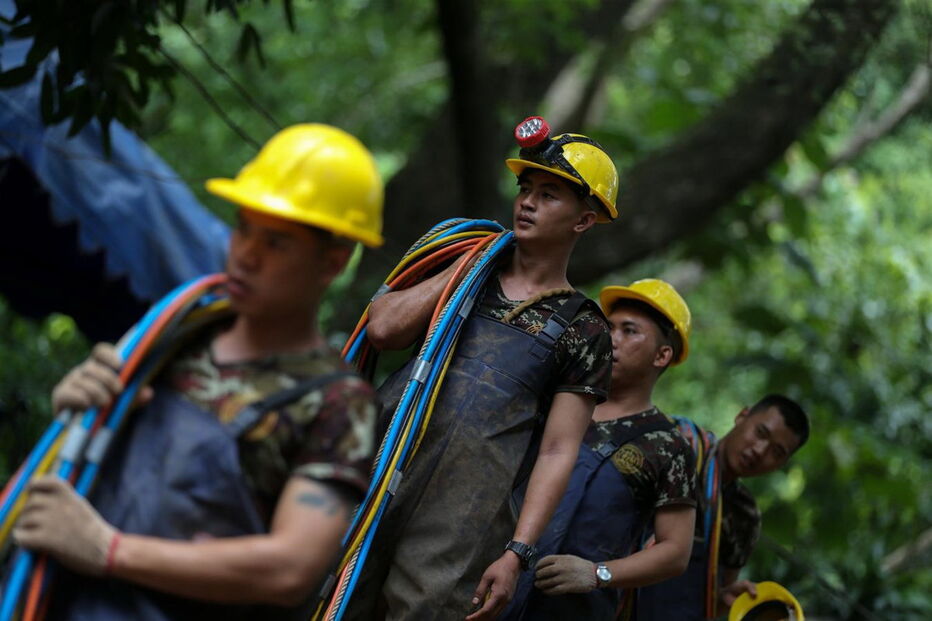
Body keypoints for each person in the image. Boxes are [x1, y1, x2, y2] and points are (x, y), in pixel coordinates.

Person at [12, 124, 384, 620]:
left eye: (275, 243)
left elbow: (290, 568)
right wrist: (75, 411)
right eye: (243, 228)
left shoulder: (337, 403)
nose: (245, 254)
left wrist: (109, 550)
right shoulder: (173, 336)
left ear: (332, 263)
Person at [344, 117, 618, 620]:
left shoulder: (586, 330)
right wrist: (469, 266)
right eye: (526, 187)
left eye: (550, 194)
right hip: (377, 466)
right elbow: (382, 331)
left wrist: (518, 553)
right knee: (326, 593)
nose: (528, 202)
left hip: (464, 519)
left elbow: (558, 450)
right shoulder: (462, 265)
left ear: (584, 220)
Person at [502, 278, 698, 620]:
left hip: (572, 611)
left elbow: (675, 551)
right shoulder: (556, 398)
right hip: (494, 578)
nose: (612, 339)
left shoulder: (669, 446)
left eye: (630, 331)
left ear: (662, 355)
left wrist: (598, 574)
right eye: (609, 328)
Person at [636, 394, 810, 620]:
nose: (759, 450)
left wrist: (726, 600)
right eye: (760, 433)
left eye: (776, 452)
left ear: (781, 464)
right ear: (742, 416)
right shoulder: (675, 446)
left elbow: (713, 602)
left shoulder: (744, 515)